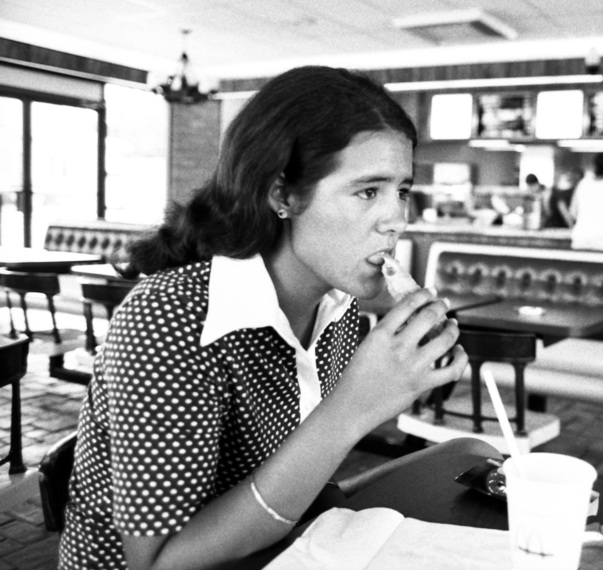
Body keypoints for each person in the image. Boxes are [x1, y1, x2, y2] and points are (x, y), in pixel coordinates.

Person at [59, 66, 501, 570]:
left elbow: (300, 480)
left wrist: (387, 389)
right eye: (367, 191)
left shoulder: (338, 305)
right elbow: (160, 563)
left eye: (401, 190)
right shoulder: (170, 319)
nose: (397, 219)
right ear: (282, 196)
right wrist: (356, 405)